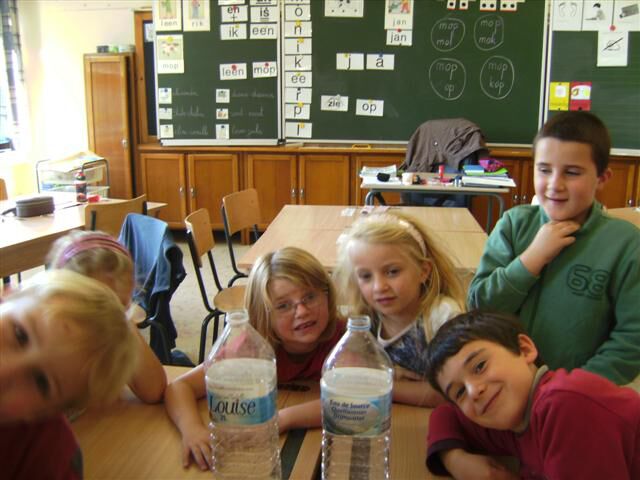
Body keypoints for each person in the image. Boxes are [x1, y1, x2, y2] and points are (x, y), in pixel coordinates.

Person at [468, 111, 640, 386]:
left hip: (578, 396)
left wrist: (572, 388)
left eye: (572, 172)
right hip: (504, 389)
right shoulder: (514, 225)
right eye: (544, 170)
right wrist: (530, 260)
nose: (554, 184)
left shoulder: (626, 243)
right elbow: (480, 306)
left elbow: (632, 339)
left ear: (602, 178)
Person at [164, 247, 344, 471]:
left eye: (310, 296)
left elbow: (351, 403)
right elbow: (179, 388)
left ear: (327, 295)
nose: (302, 311)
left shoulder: (344, 339)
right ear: (262, 314)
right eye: (283, 305)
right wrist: (192, 429)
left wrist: (283, 419)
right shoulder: (249, 349)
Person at [424, 310, 640, 479]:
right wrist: (455, 459)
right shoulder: (512, 418)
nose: (473, 391)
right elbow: (445, 414)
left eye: (480, 366)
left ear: (525, 349)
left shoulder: (565, 404)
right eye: (460, 392)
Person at [0, 269, 139, 478]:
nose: (4, 369)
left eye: (41, 382)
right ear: (6, 295)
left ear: (47, 412)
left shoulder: (47, 461)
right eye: (20, 335)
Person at [334, 211, 465, 406]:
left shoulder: (443, 316)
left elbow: (454, 391)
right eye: (366, 276)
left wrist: (382, 385)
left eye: (392, 272)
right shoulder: (365, 318)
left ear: (423, 271)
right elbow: (348, 375)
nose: (379, 287)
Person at [47, 231, 167, 403]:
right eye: (95, 307)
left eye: (120, 307)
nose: (107, 319)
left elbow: (153, 390)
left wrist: (124, 323)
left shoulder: (114, 330)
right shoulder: (47, 342)